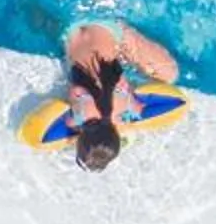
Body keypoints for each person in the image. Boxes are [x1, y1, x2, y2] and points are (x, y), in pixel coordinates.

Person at [59, 17, 180, 173]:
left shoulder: (124, 111)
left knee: (170, 74)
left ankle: (126, 31)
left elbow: (135, 101)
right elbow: (76, 92)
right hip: (72, 32)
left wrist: (128, 121)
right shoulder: (79, 115)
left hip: (109, 28)